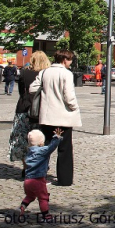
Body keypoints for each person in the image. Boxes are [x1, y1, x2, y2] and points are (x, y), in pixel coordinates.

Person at [30, 50, 82, 187]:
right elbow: (69, 96)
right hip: (63, 117)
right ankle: (65, 179)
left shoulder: (45, 72)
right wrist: (75, 108)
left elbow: (32, 88)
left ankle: (38, 176)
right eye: (70, 60)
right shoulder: (66, 74)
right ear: (65, 60)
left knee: (45, 147)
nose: (71, 62)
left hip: (47, 116)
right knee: (64, 148)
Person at [10, 52, 51, 176]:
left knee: (22, 139)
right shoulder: (47, 74)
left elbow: (21, 91)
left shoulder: (24, 73)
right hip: (41, 110)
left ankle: (26, 166)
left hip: (23, 108)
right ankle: (38, 164)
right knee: (40, 139)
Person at [17, 128, 63, 220]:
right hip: (38, 180)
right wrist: (57, 137)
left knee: (30, 196)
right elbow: (52, 147)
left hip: (27, 181)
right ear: (41, 142)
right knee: (43, 198)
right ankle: (46, 215)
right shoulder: (42, 151)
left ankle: (22, 207)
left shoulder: (29, 152)